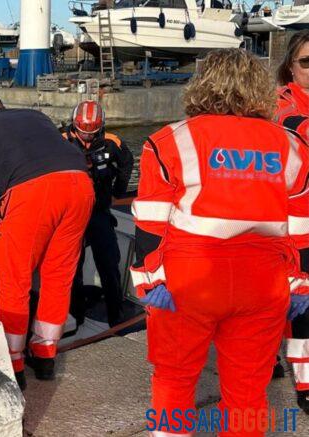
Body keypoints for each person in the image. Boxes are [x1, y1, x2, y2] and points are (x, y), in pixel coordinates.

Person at [132, 49, 309, 436]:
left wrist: (147, 280)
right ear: (260, 89)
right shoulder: (293, 145)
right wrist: (300, 283)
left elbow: (149, 223)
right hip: (264, 281)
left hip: (190, 279)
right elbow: (301, 227)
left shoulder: (168, 141)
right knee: (248, 390)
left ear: (202, 84)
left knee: (174, 381)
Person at [0, 92, 94, 389]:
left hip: (32, 193)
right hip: (80, 186)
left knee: (15, 279)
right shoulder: (35, 116)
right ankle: (45, 357)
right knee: (58, 276)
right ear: (1, 107)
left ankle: (14, 366)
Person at [63, 100, 134, 327]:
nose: (86, 138)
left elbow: (126, 163)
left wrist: (117, 193)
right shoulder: (59, 141)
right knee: (72, 267)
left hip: (98, 212)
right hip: (71, 215)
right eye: (82, 132)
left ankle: (116, 317)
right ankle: (76, 316)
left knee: (109, 263)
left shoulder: (112, 143)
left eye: (92, 134)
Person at [275, 29, 309, 414]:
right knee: (298, 306)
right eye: (306, 62)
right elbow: (295, 126)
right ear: (290, 68)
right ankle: (305, 383)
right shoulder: (281, 104)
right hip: (290, 227)